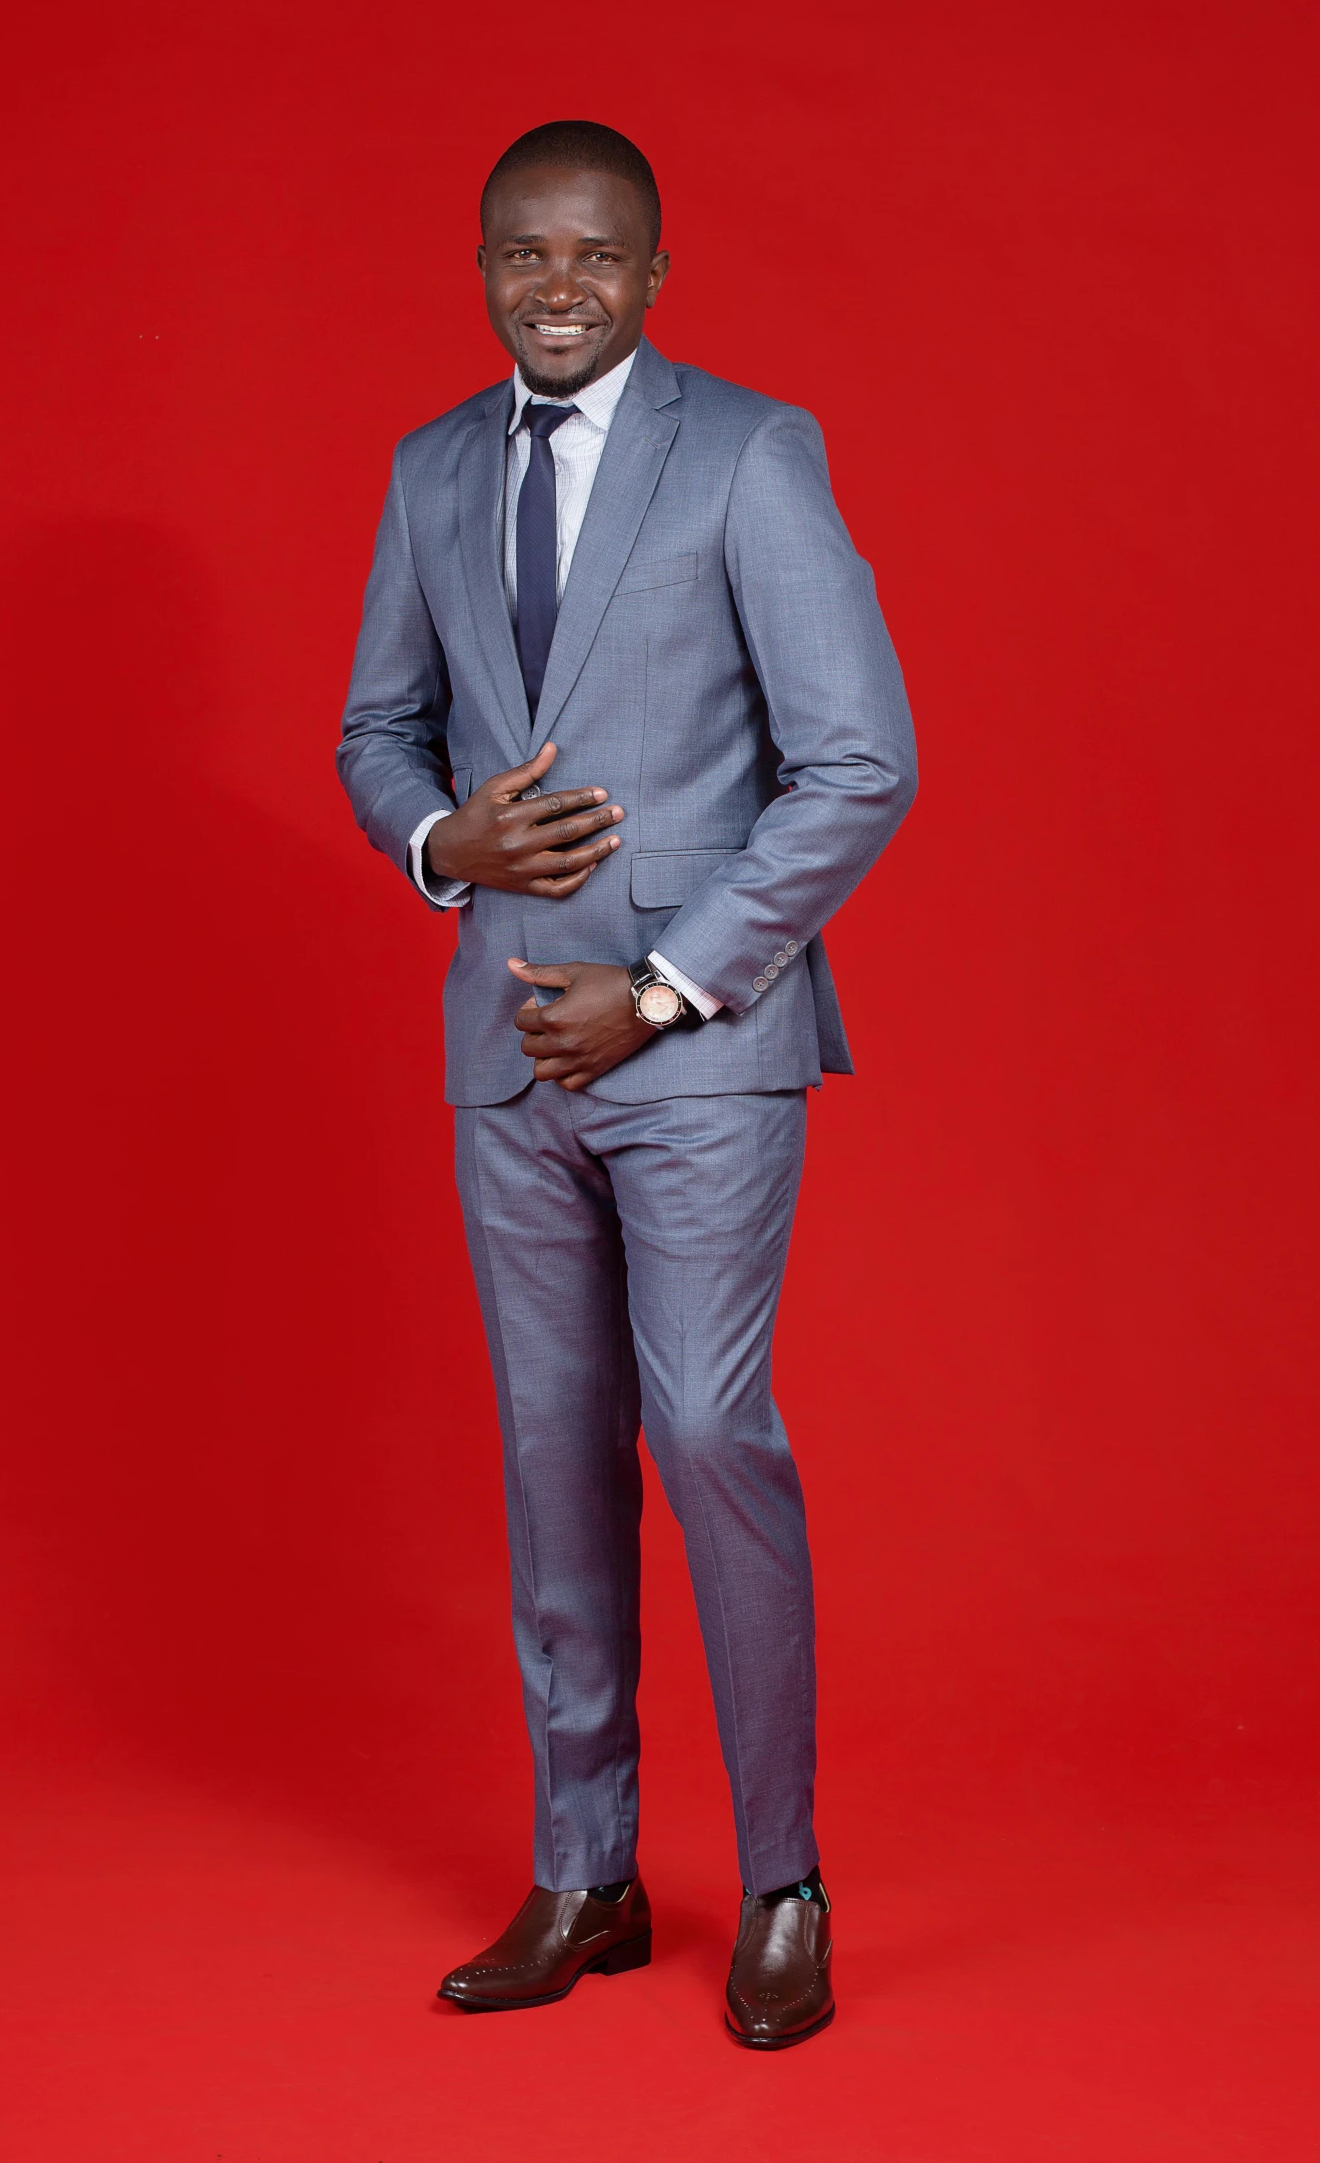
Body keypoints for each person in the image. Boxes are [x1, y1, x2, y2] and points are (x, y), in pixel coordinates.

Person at [337, 120, 916, 2048]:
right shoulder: (430, 468)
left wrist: (662, 988)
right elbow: (374, 733)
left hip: (696, 1050)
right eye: (521, 252)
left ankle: (779, 1882)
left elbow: (858, 764)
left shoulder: (748, 452)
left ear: (654, 273)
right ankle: (586, 1871)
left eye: (593, 254)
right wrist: (446, 845)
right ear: (483, 264)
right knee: (549, 1457)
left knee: (706, 1433)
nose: (554, 284)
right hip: (501, 1055)